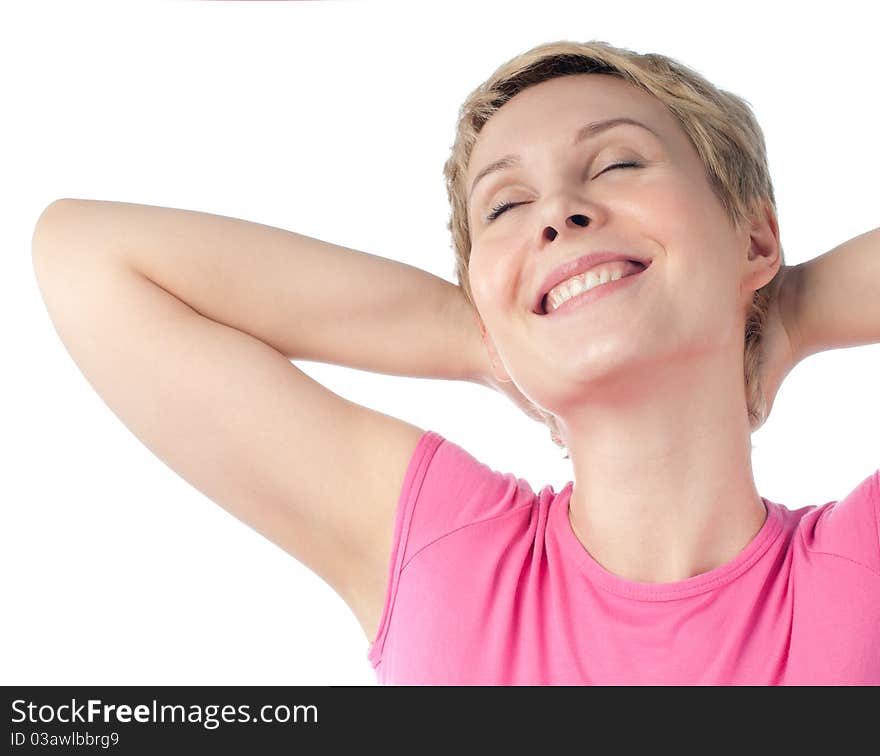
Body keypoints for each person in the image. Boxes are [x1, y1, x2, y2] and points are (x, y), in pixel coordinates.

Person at [31, 39, 879, 685]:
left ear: (756, 233)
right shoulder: (451, 555)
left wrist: (788, 308)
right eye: (507, 206)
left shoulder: (858, 574)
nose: (559, 214)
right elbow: (86, 256)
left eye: (618, 162)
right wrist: (490, 333)